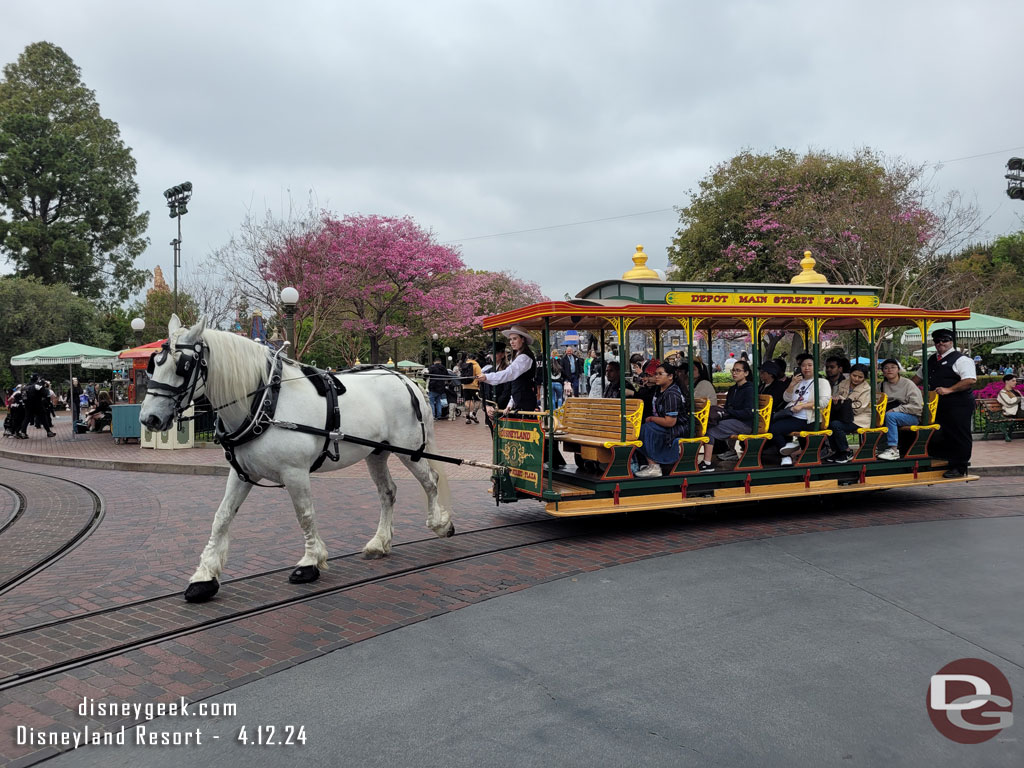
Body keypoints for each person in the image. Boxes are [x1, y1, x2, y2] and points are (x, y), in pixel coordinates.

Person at [911, 328, 976, 477]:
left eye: (944, 340)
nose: (941, 343)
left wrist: (950, 390)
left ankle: (959, 467)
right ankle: (943, 459)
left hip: (958, 403)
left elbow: (970, 380)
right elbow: (916, 379)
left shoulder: (961, 359)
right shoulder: (931, 359)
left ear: (951, 341)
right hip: (937, 404)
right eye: (937, 341)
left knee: (958, 433)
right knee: (940, 431)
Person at [769, 356, 832, 466]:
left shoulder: (822, 382)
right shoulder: (799, 382)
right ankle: (787, 451)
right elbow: (786, 398)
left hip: (808, 418)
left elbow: (823, 402)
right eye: (803, 365)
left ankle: (787, 453)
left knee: (775, 428)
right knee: (771, 425)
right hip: (793, 415)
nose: (806, 368)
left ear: (815, 367)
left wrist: (803, 406)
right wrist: (792, 384)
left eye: (809, 365)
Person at [633, 362, 687, 477]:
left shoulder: (672, 394)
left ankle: (654, 466)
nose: (656, 376)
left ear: (670, 376)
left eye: (660, 374)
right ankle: (646, 462)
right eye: (655, 374)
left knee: (646, 429)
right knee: (638, 428)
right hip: (664, 425)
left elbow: (670, 421)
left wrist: (652, 419)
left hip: (677, 428)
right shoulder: (659, 390)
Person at [699, 360, 755, 471]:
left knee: (710, 429)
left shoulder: (750, 389)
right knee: (706, 424)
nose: (734, 373)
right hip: (733, 421)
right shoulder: (733, 389)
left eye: (738, 370)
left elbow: (748, 413)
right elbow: (729, 408)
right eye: (733, 370)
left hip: (745, 423)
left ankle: (707, 462)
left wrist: (728, 411)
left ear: (746, 373)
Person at [476, 325, 538, 413]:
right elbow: (515, 382)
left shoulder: (524, 357)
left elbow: (509, 374)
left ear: (523, 339)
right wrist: (511, 404)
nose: (512, 342)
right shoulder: (517, 356)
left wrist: (486, 377)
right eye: (510, 339)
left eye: (515, 339)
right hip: (518, 400)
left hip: (525, 401)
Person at [824, 364, 872, 463]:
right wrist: (836, 400)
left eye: (860, 377)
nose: (856, 379)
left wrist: (844, 401)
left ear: (864, 378)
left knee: (835, 425)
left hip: (859, 418)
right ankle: (837, 451)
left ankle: (846, 451)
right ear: (850, 374)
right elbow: (835, 394)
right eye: (854, 375)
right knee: (827, 423)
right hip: (843, 415)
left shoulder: (866, 389)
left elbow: (859, 408)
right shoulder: (843, 383)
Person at [877, 358, 923, 460]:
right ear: (883, 371)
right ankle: (875, 447)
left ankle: (893, 449)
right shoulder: (881, 386)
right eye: (886, 368)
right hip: (887, 415)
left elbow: (916, 406)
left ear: (898, 369)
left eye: (893, 367)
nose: (889, 370)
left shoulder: (908, 384)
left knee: (890, 416)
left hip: (911, 416)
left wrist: (895, 410)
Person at [459, 353, 483, 424]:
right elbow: (479, 375)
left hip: (465, 386)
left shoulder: (464, 365)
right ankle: (473, 414)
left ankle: (467, 417)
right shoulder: (476, 365)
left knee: (467, 401)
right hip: (474, 385)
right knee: (478, 400)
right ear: (475, 358)